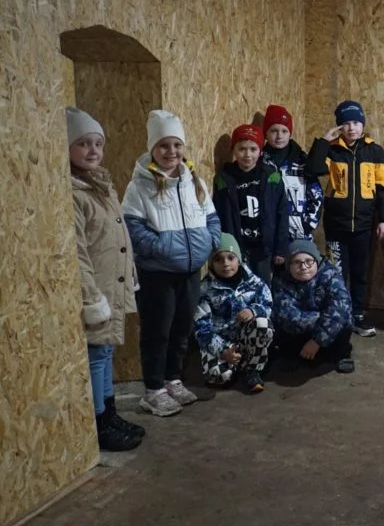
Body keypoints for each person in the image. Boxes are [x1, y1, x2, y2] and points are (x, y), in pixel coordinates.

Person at [122, 110, 220, 417]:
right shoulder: (140, 186)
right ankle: (153, 389)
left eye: (177, 145)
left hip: (191, 271)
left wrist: (211, 242)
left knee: (181, 328)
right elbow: (132, 228)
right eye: (164, 145)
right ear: (153, 148)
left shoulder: (195, 182)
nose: (171, 152)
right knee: (157, 331)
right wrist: (163, 248)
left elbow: (212, 218)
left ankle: (173, 379)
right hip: (158, 275)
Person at [68, 107, 144, 450]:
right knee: (97, 353)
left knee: (108, 350)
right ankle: (98, 420)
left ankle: (109, 410)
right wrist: (90, 296)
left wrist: (130, 277)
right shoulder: (73, 192)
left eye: (97, 143)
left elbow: (120, 237)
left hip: (113, 284)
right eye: (83, 143)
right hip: (96, 290)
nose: (93, 150)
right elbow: (79, 251)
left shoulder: (102, 185)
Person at [307, 100, 384, 338]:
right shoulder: (332, 151)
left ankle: (357, 314)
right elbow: (312, 168)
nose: (352, 128)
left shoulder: (375, 152)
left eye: (356, 122)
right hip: (336, 227)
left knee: (360, 273)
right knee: (336, 274)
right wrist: (325, 141)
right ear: (339, 127)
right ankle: (338, 314)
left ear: (363, 124)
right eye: (346, 124)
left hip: (365, 227)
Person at [194, 233, 274, 393]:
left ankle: (252, 369)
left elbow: (268, 305)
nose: (226, 264)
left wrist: (253, 310)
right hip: (220, 342)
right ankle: (234, 365)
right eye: (218, 259)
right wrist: (223, 351)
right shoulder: (204, 289)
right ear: (210, 263)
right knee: (218, 377)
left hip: (247, 338)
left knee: (262, 323)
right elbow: (202, 330)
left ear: (239, 259)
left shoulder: (254, 282)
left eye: (231, 258)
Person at [212, 123, 289, 285]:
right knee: (238, 287)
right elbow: (219, 214)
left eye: (253, 149)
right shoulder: (224, 179)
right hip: (237, 247)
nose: (247, 155)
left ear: (260, 150)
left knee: (263, 287)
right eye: (242, 149)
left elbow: (282, 214)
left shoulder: (271, 177)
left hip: (263, 248)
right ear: (233, 150)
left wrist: (281, 247)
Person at [272, 240, 355, 373]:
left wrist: (317, 341)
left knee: (343, 321)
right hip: (303, 328)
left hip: (327, 331)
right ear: (289, 265)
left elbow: (340, 309)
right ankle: (294, 357)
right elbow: (285, 313)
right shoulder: (281, 281)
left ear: (317, 261)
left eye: (309, 261)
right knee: (280, 324)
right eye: (297, 262)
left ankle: (342, 355)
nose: (304, 267)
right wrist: (319, 318)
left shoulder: (331, 275)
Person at [261, 104, 323, 243]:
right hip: (268, 236)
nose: (279, 136)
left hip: (298, 236)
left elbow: (316, 194)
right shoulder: (259, 162)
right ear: (266, 132)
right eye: (274, 131)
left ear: (290, 133)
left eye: (284, 131)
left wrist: (307, 225)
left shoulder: (302, 161)